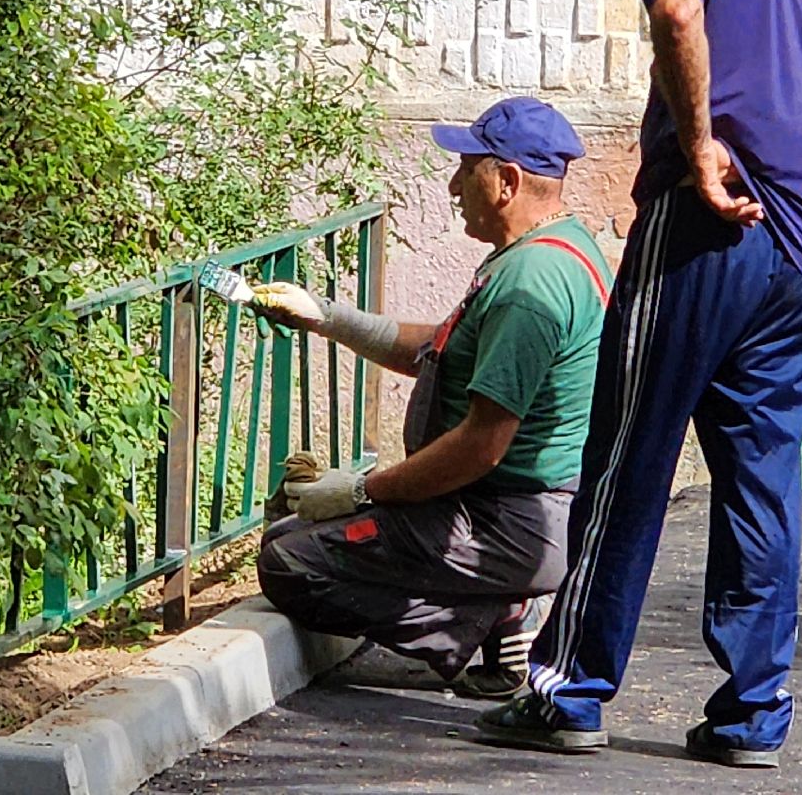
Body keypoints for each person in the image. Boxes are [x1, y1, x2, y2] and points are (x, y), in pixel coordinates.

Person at [477, 0, 802, 768]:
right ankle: (754, 714)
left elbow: (676, 13)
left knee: (628, 455)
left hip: (700, 231)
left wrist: (702, 146)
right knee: (763, 481)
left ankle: (570, 692)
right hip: (801, 258)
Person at [253, 96, 613, 699]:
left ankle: (492, 617)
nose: (453, 186)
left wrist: (362, 490)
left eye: (466, 170)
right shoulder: (554, 250)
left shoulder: (529, 286)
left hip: (504, 522)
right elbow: (440, 350)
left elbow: (480, 447)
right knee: (290, 534)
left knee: (288, 562)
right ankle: (495, 610)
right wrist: (327, 318)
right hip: (509, 513)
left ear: (507, 182)